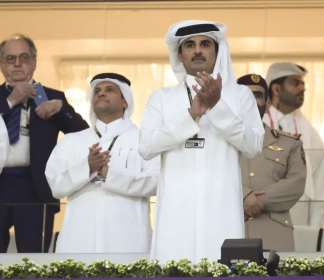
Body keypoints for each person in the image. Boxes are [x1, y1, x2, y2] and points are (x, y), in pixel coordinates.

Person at [139, 20, 264, 263]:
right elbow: (146, 147)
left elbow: (253, 146)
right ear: (179, 54)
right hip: (175, 212)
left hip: (222, 208)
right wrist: (192, 114)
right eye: (190, 45)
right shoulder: (162, 98)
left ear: (216, 52)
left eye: (205, 44)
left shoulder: (240, 95)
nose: (197, 50)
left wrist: (218, 107)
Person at [45, 73, 159, 253]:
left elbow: (155, 181)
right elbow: (55, 185)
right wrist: (87, 168)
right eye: (97, 91)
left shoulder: (142, 140)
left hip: (128, 239)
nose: (101, 94)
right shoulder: (72, 141)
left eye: (109, 90)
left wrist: (110, 176)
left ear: (125, 102)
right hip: (79, 239)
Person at [0, 34, 89, 253]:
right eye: (11, 59)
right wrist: (11, 102)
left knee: (33, 258)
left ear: (34, 62)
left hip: (35, 185)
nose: (18, 64)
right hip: (1, 181)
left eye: (24, 57)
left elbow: (84, 135)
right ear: (2, 64)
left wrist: (62, 109)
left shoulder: (52, 96)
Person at [237, 73, 306, 252]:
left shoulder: (289, 143)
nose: (251, 101)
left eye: (257, 95)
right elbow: (210, 178)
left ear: (267, 104)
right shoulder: (219, 144)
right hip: (230, 232)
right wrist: (242, 196)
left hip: (274, 236)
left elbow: (295, 184)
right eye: (245, 95)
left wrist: (251, 201)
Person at [264, 62, 324, 228]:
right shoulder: (257, 126)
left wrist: (315, 232)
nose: (302, 88)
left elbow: (319, 190)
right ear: (276, 89)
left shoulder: (311, 136)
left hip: (299, 223)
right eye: (295, 83)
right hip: (261, 217)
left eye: (302, 83)